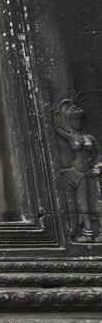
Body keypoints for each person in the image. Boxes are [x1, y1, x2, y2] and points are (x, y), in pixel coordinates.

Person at [53, 98, 102, 243]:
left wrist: (99, 166)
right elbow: (57, 129)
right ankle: (88, 233)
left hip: (90, 173)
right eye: (75, 120)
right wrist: (57, 113)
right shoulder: (70, 137)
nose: (78, 122)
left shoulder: (90, 137)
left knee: (97, 203)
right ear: (70, 121)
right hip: (76, 173)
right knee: (82, 203)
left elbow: (100, 153)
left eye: (80, 119)